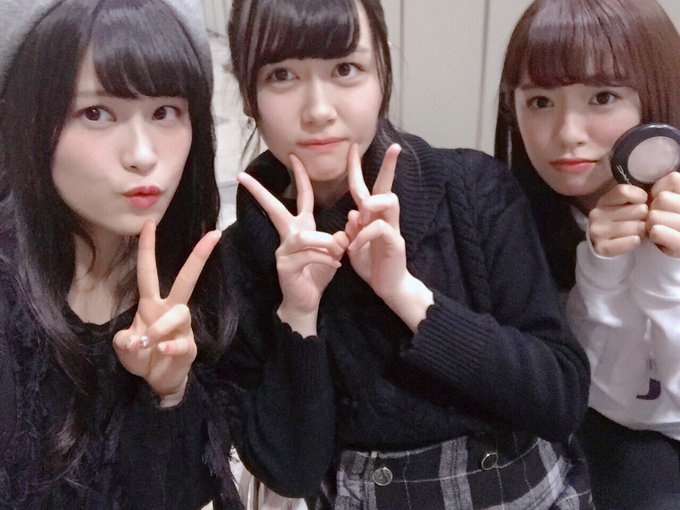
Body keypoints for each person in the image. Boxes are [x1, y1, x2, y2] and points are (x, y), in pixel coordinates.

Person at [224, 0, 592, 508]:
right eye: (281, 75)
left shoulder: (474, 190)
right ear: (249, 95)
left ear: (383, 72)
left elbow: (561, 398)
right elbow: (291, 472)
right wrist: (298, 315)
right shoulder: (240, 258)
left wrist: (405, 293)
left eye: (345, 69)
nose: (319, 110)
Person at [0, 0, 333, 508]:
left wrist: (170, 392)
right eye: (96, 113)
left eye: (165, 112)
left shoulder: (200, 275)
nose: (142, 154)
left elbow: (271, 472)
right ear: (28, 119)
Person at [495, 0, 680, 508]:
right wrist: (602, 267)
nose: (567, 133)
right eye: (540, 101)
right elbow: (588, 395)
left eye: (602, 97)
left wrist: (668, 270)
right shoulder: (510, 218)